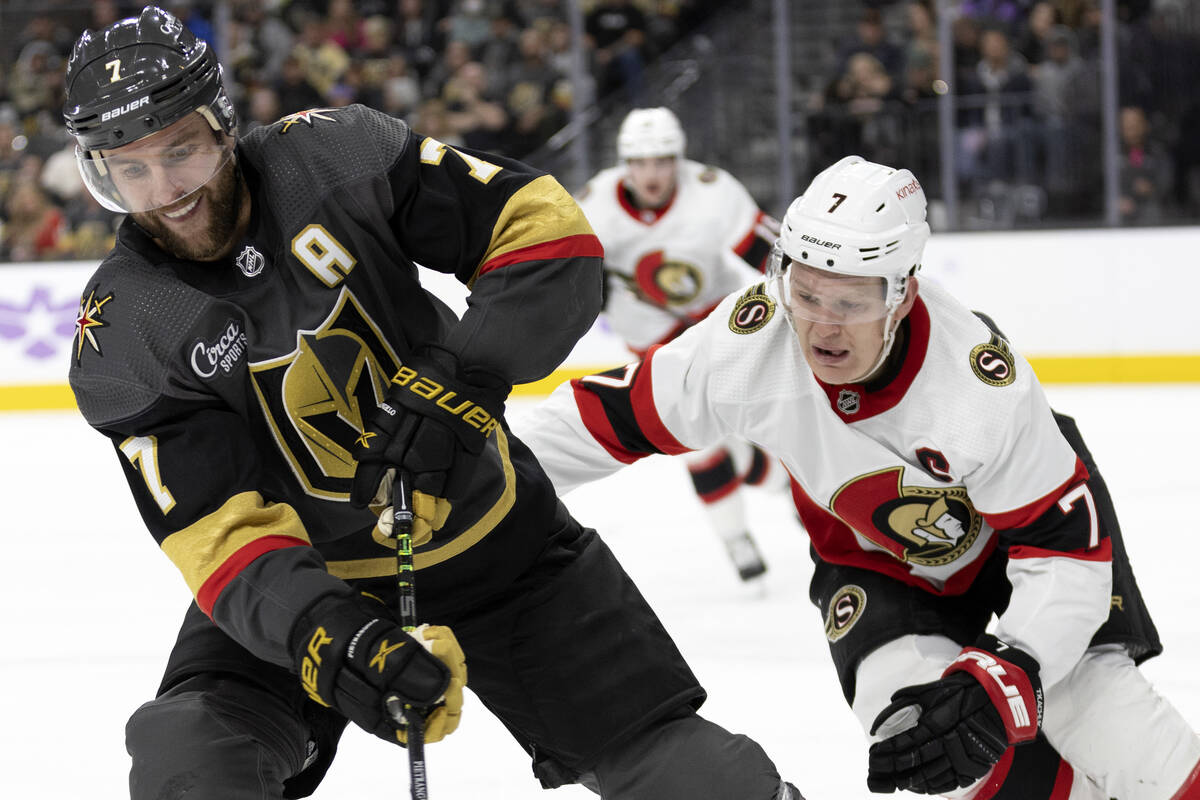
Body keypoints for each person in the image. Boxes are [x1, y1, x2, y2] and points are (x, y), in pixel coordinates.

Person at [61, 8, 805, 800]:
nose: (165, 190)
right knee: (190, 754)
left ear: (222, 124)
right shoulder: (124, 333)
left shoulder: (337, 155)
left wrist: (462, 385)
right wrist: (328, 635)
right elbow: (219, 535)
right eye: (127, 169)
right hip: (312, 577)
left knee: (693, 778)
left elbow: (548, 236)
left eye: (182, 149)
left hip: (498, 539)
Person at [513, 155, 1200, 800]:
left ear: (902, 296)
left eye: (850, 304)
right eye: (806, 295)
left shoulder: (977, 387)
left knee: (1114, 728)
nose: (821, 330)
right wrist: (479, 474)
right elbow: (598, 420)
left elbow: (1066, 553)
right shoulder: (750, 343)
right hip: (875, 563)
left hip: (1019, 549)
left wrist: (1010, 670)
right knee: (924, 732)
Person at [575, 106, 783, 583]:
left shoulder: (711, 190)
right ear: (625, 163)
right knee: (691, 436)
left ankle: (783, 488)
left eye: (663, 160)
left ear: (679, 158)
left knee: (754, 424)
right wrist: (590, 289)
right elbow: (563, 276)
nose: (653, 173)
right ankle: (735, 536)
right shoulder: (594, 205)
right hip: (651, 339)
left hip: (719, 318)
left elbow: (768, 249)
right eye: (641, 162)